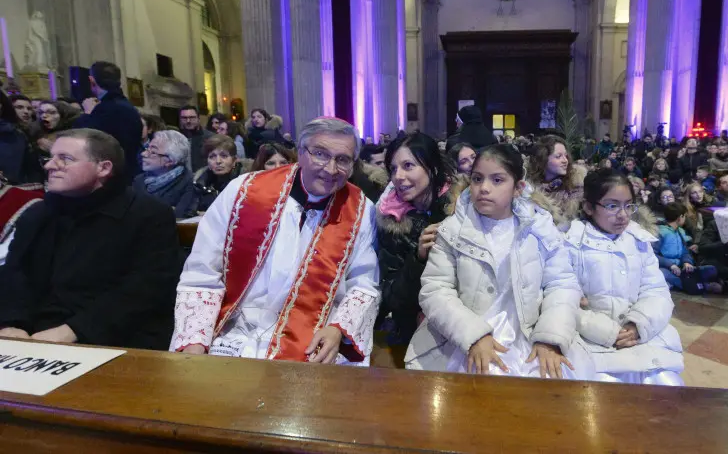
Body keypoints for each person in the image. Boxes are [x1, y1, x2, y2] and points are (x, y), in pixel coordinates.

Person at [170, 117, 380, 365]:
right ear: (300, 154)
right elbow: (203, 272)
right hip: (234, 334)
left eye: (343, 159)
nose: (331, 168)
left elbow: (365, 283)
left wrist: (338, 329)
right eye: (320, 154)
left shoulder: (360, 210)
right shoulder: (244, 192)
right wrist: (195, 341)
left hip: (315, 339)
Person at [406, 144, 593, 380]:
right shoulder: (452, 230)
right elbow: (435, 289)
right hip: (465, 334)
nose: (484, 188)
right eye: (477, 179)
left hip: (529, 331)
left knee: (552, 378)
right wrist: (473, 335)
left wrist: (550, 337)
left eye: (497, 180)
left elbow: (562, 284)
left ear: (518, 188)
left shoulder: (540, 229)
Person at [0, 129, 183, 349]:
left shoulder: (149, 215)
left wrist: (74, 330)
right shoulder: (38, 213)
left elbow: (146, 289)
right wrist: (12, 323)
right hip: (34, 334)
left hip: (113, 338)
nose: (49, 166)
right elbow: (14, 274)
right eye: (49, 158)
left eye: (65, 159)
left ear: (103, 168)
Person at [564, 170, 683, 385]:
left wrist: (639, 325)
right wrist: (605, 331)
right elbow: (562, 299)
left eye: (628, 205)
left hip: (640, 336)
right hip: (590, 341)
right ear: (589, 207)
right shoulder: (571, 243)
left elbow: (655, 290)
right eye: (612, 206)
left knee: (666, 387)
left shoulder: (638, 240)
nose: (623, 215)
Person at [376, 132, 459, 345]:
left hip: (460, 325)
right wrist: (418, 257)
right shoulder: (392, 222)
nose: (398, 176)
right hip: (413, 334)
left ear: (433, 168)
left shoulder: (460, 209)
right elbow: (392, 296)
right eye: (393, 169)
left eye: (408, 166)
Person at [72, 61, 144, 183]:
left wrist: (88, 114)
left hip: (109, 178)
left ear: (91, 81)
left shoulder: (106, 109)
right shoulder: (128, 106)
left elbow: (87, 141)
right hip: (127, 174)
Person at [655, 202, 721, 294]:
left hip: (680, 266)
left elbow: (685, 252)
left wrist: (687, 262)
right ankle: (701, 285)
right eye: (684, 216)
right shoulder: (660, 233)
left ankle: (693, 277)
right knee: (662, 274)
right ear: (680, 217)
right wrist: (670, 265)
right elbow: (652, 255)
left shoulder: (680, 232)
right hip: (666, 267)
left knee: (712, 269)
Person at [133, 130, 195, 219]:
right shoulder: (138, 181)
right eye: (147, 148)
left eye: (153, 152)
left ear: (171, 161)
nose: (143, 154)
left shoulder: (188, 184)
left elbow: (178, 217)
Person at [527, 135, 584, 227]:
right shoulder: (528, 189)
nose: (565, 160)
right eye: (558, 156)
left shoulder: (576, 185)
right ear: (543, 159)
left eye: (565, 156)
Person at [192, 135, 252, 214]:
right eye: (212, 156)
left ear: (234, 160)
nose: (218, 161)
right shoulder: (200, 183)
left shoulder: (247, 183)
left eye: (224, 156)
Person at [0, 90, 41, 185]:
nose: (26, 112)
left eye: (29, 108)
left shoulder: (15, 135)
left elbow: (31, 170)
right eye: (19, 107)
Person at [179, 105, 213, 172]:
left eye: (192, 117)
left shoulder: (210, 137)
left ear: (198, 119)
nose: (188, 121)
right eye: (184, 118)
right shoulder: (177, 138)